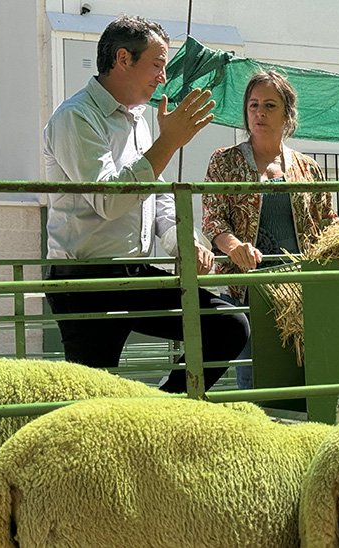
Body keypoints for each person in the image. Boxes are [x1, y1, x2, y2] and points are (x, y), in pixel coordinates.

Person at [43, 15, 249, 393]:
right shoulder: (75, 117)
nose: (163, 77)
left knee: (228, 324)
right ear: (123, 59)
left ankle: (159, 414)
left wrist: (183, 243)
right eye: (158, 64)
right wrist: (168, 142)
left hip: (132, 270)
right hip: (84, 279)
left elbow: (158, 198)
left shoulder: (139, 118)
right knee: (92, 396)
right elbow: (108, 201)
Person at [201, 70, 338, 388]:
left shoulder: (308, 168)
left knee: (302, 377)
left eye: (270, 105)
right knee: (254, 379)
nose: (259, 112)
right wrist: (234, 246)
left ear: (288, 113)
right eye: (253, 105)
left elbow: (327, 222)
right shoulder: (225, 162)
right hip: (248, 291)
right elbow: (213, 219)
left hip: (300, 292)